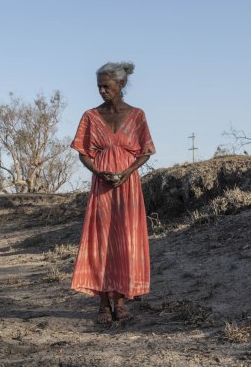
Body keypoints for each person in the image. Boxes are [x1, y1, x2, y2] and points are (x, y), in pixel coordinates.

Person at [70, 61, 155, 324]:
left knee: (125, 242)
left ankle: (121, 303)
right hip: (102, 188)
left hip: (128, 188)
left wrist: (127, 173)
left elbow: (146, 151)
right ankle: (103, 305)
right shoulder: (90, 116)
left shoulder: (137, 115)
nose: (102, 91)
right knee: (102, 242)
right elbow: (83, 153)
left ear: (121, 85)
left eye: (106, 86)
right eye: (99, 87)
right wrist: (99, 172)